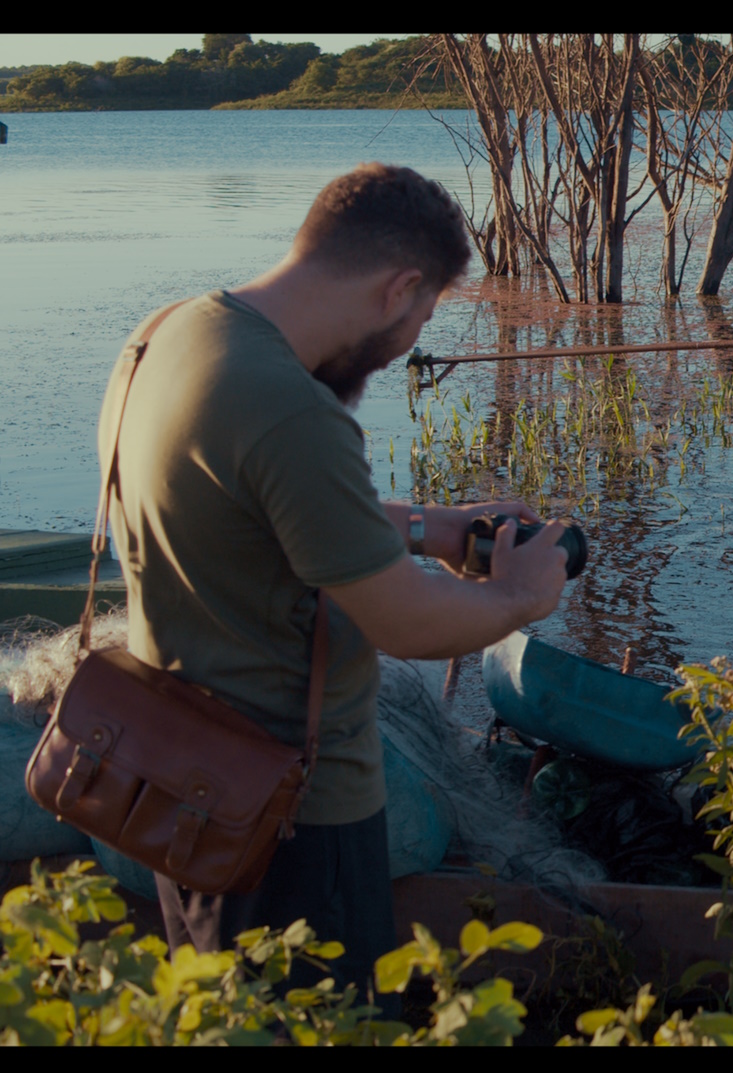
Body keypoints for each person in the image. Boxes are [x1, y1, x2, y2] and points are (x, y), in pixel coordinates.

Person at [98, 163, 570, 1002]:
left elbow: (250, 502)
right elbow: (408, 624)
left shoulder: (169, 335)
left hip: (177, 775)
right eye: (422, 319)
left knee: (225, 1017)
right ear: (401, 288)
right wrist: (518, 597)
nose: (404, 348)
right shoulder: (292, 411)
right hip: (289, 821)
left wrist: (432, 526)